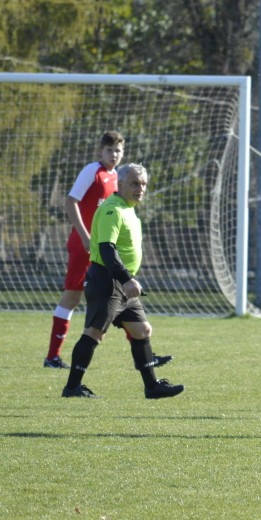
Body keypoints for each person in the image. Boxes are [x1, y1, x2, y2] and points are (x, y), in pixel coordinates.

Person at [61, 163, 183, 399]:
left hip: (123, 282)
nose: (140, 188)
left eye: (144, 184)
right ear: (121, 184)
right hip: (107, 281)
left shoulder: (129, 209)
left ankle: (152, 387)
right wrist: (126, 279)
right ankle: (72, 387)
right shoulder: (113, 210)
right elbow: (107, 249)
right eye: (135, 183)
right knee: (94, 333)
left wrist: (128, 280)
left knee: (142, 330)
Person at [43, 131, 123, 368]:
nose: (114, 154)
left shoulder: (116, 176)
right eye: (110, 150)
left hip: (102, 247)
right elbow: (71, 201)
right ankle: (52, 357)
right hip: (83, 245)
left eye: (118, 150)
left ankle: (143, 349)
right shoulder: (92, 171)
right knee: (72, 296)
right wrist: (84, 235)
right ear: (100, 151)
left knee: (117, 294)